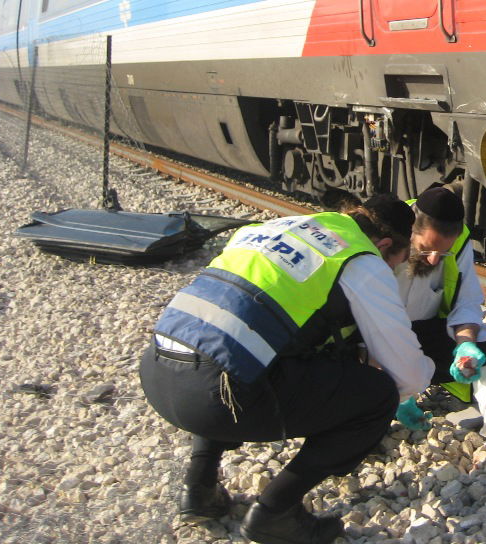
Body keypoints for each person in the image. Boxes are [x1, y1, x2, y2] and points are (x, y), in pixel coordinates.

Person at [140, 194, 434, 544]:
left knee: (234, 349)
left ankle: (199, 488)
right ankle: (275, 513)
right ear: (385, 245)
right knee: (377, 395)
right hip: (213, 401)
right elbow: (409, 375)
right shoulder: (362, 260)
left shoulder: (281, 227)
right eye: (396, 263)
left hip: (158, 372)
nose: (392, 271)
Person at [391, 186, 486, 428]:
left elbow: (466, 301)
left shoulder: (458, 242)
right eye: (426, 249)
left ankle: (408, 379)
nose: (433, 260)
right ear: (410, 230)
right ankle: (394, 388)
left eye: (444, 253)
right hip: (376, 335)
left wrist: (466, 346)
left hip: (419, 332)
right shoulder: (386, 235)